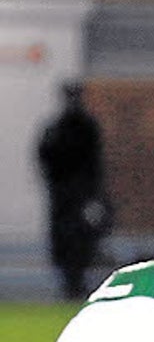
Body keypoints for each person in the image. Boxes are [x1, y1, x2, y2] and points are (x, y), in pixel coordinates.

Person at [37, 80, 111, 300]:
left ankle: (76, 282)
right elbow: (46, 159)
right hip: (65, 199)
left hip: (79, 198)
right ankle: (71, 283)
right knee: (65, 242)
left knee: (82, 241)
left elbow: (95, 164)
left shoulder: (84, 129)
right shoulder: (58, 128)